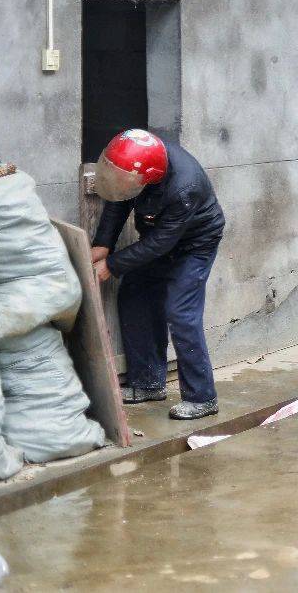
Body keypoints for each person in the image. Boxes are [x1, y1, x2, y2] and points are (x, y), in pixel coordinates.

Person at [90, 130, 226, 420]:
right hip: (159, 238)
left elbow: (159, 244)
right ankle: (148, 383)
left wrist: (111, 265)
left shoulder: (184, 187)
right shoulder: (137, 166)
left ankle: (203, 398)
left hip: (193, 246)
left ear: (150, 176)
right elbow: (118, 198)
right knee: (134, 293)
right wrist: (103, 244)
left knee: (180, 313)